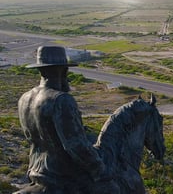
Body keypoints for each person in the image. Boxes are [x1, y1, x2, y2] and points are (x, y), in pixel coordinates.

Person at [15, 46, 107, 194]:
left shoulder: (24, 98)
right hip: (62, 175)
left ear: (41, 70)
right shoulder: (61, 100)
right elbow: (75, 146)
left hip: (34, 170)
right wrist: (99, 168)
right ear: (63, 71)